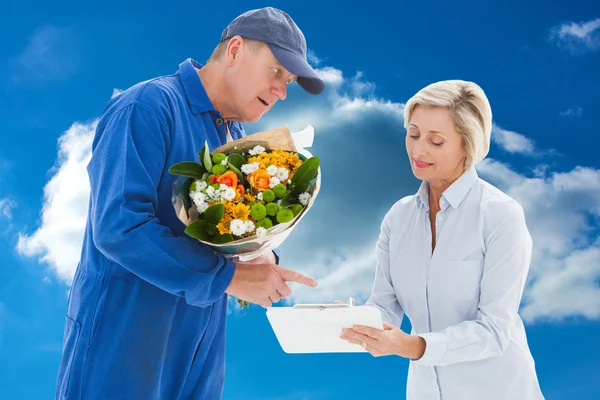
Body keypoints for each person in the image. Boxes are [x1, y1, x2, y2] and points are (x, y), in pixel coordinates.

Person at [55, 7, 323, 400]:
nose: (283, 90)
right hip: (121, 343)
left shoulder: (237, 138)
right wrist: (229, 278)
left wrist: (259, 257)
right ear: (234, 51)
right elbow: (118, 226)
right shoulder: (147, 106)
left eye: (291, 81)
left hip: (199, 349)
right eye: (277, 71)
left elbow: (227, 235)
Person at [339, 80, 544, 399]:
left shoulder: (501, 216)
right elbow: (385, 305)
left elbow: (493, 331)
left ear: (468, 146)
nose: (418, 150)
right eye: (413, 134)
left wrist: (414, 345)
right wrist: (353, 321)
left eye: (436, 141)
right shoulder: (398, 217)